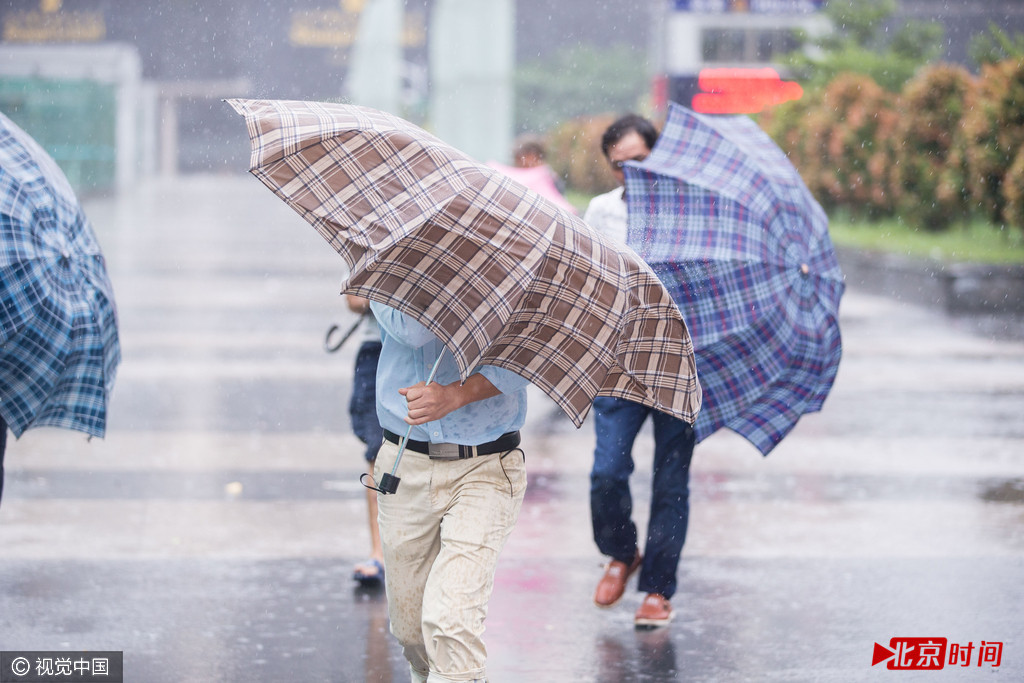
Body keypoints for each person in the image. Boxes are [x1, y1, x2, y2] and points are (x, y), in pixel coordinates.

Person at [369, 300, 528, 683]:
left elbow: (530, 358)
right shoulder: (392, 250)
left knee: (451, 624)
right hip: (403, 462)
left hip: (486, 465)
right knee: (411, 633)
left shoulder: (516, 265)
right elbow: (410, 329)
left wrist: (457, 394)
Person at [583, 114, 697, 629]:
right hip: (620, 358)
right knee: (607, 470)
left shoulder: (691, 208)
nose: (634, 173)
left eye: (643, 161)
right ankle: (620, 551)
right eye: (622, 166)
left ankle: (657, 589)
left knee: (671, 479)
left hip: (681, 359)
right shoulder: (602, 212)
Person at [345, 294, 386, 586]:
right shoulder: (373, 245)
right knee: (378, 453)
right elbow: (354, 299)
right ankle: (379, 553)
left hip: (432, 350)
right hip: (378, 348)